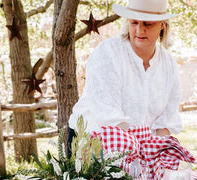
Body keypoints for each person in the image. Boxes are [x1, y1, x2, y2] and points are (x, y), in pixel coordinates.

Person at [68, 0, 181, 137]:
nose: (139, 30)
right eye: (134, 22)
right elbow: (107, 112)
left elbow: (167, 117)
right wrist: (135, 150)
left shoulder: (169, 65)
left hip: (139, 146)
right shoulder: (108, 53)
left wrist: (157, 149)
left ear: (162, 25)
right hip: (95, 140)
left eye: (147, 24)